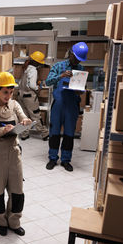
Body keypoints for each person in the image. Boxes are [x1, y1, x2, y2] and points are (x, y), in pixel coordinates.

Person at [0, 72, 31, 237]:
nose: (8, 96)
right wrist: (2, 130)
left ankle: (14, 222)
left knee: (18, 191)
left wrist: (25, 121)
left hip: (14, 152)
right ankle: (1, 222)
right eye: (5, 92)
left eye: (11, 92)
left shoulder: (15, 105)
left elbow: (23, 116)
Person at [45, 42, 89, 172]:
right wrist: (61, 76)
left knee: (69, 134)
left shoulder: (81, 69)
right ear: (71, 54)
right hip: (58, 104)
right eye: (75, 58)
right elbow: (48, 82)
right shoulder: (59, 66)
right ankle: (53, 158)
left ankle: (66, 160)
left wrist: (81, 91)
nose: (76, 61)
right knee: (54, 133)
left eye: (79, 60)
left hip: (72, 105)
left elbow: (83, 89)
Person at [17, 51, 49, 141]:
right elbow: (31, 85)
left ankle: (24, 134)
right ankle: (45, 133)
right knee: (36, 115)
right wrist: (38, 87)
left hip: (20, 95)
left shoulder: (25, 68)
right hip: (29, 97)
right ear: (37, 62)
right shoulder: (33, 70)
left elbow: (20, 83)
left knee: (24, 116)